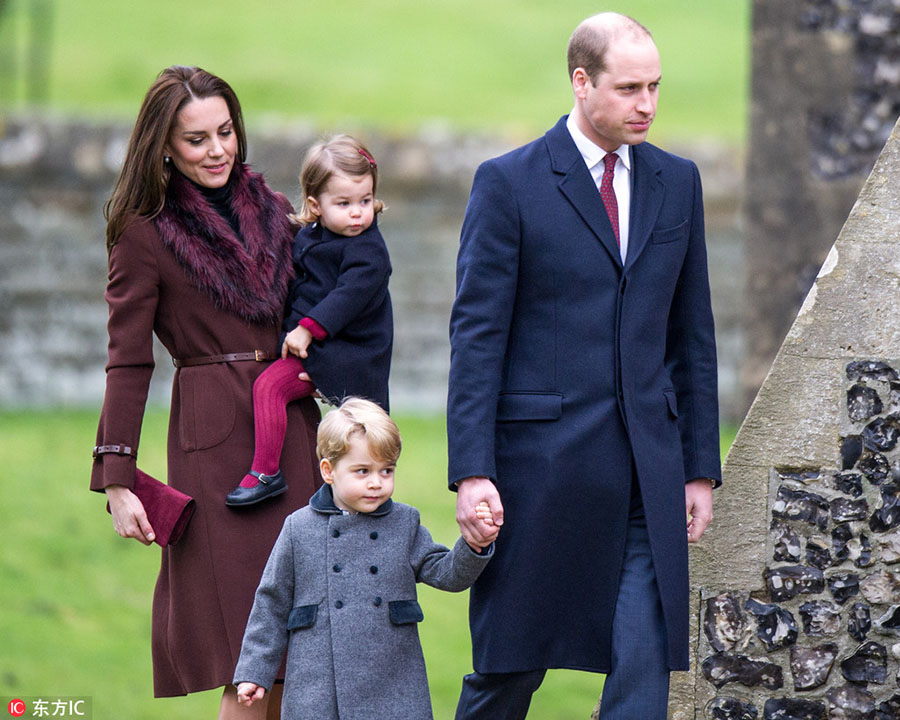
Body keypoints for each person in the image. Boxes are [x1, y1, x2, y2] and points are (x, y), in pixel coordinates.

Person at [447, 13, 721, 719]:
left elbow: (692, 337)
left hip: (645, 474)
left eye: (656, 86)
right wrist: (472, 468)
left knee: (644, 665)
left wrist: (698, 466)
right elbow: (477, 336)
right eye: (630, 88)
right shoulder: (508, 183)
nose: (648, 104)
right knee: (509, 670)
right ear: (581, 82)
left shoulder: (677, 182)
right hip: (538, 470)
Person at [91, 65, 322, 718]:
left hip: (294, 428)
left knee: (301, 655)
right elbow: (127, 361)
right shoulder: (145, 230)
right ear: (165, 145)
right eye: (196, 139)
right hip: (217, 445)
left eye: (225, 131)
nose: (218, 149)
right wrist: (117, 478)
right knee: (249, 656)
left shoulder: (275, 210)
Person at [232, 398, 496, 720]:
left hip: (394, 678)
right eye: (362, 471)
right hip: (317, 685)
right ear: (328, 471)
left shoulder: (404, 522)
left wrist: (473, 544)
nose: (376, 482)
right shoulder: (298, 528)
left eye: (387, 470)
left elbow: (446, 574)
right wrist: (254, 671)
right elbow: (271, 604)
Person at [226, 135, 393, 508]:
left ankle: (266, 472)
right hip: (319, 350)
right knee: (345, 433)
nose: (357, 213)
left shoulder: (370, 253)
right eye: (344, 203)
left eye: (365, 201)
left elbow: (345, 298)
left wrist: (306, 329)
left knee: (275, 391)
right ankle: (335, 491)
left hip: (349, 355)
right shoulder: (309, 238)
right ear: (316, 205)